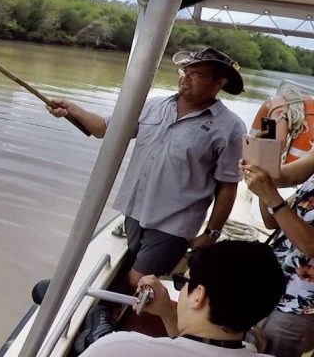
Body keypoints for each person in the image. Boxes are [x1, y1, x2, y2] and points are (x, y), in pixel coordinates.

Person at [48, 47, 246, 291]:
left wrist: (211, 233)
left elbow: (227, 185)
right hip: (135, 211)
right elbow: (105, 130)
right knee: (131, 267)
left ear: (219, 82)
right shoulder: (152, 105)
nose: (185, 77)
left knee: (137, 280)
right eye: (184, 70)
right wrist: (71, 109)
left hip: (175, 223)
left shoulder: (230, 127)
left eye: (196, 74)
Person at [80, 240, 287, 356]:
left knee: (47, 289)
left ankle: (98, 330)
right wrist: (167, 313)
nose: (181, 291)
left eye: (183, 283)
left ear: (198, 296)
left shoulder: (117, 349)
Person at [241, 149, 314, 357]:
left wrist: (271, 195)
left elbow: (310, 246)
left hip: (299, 304)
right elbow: (273, 220)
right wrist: (262, 176)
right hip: (266, 287)